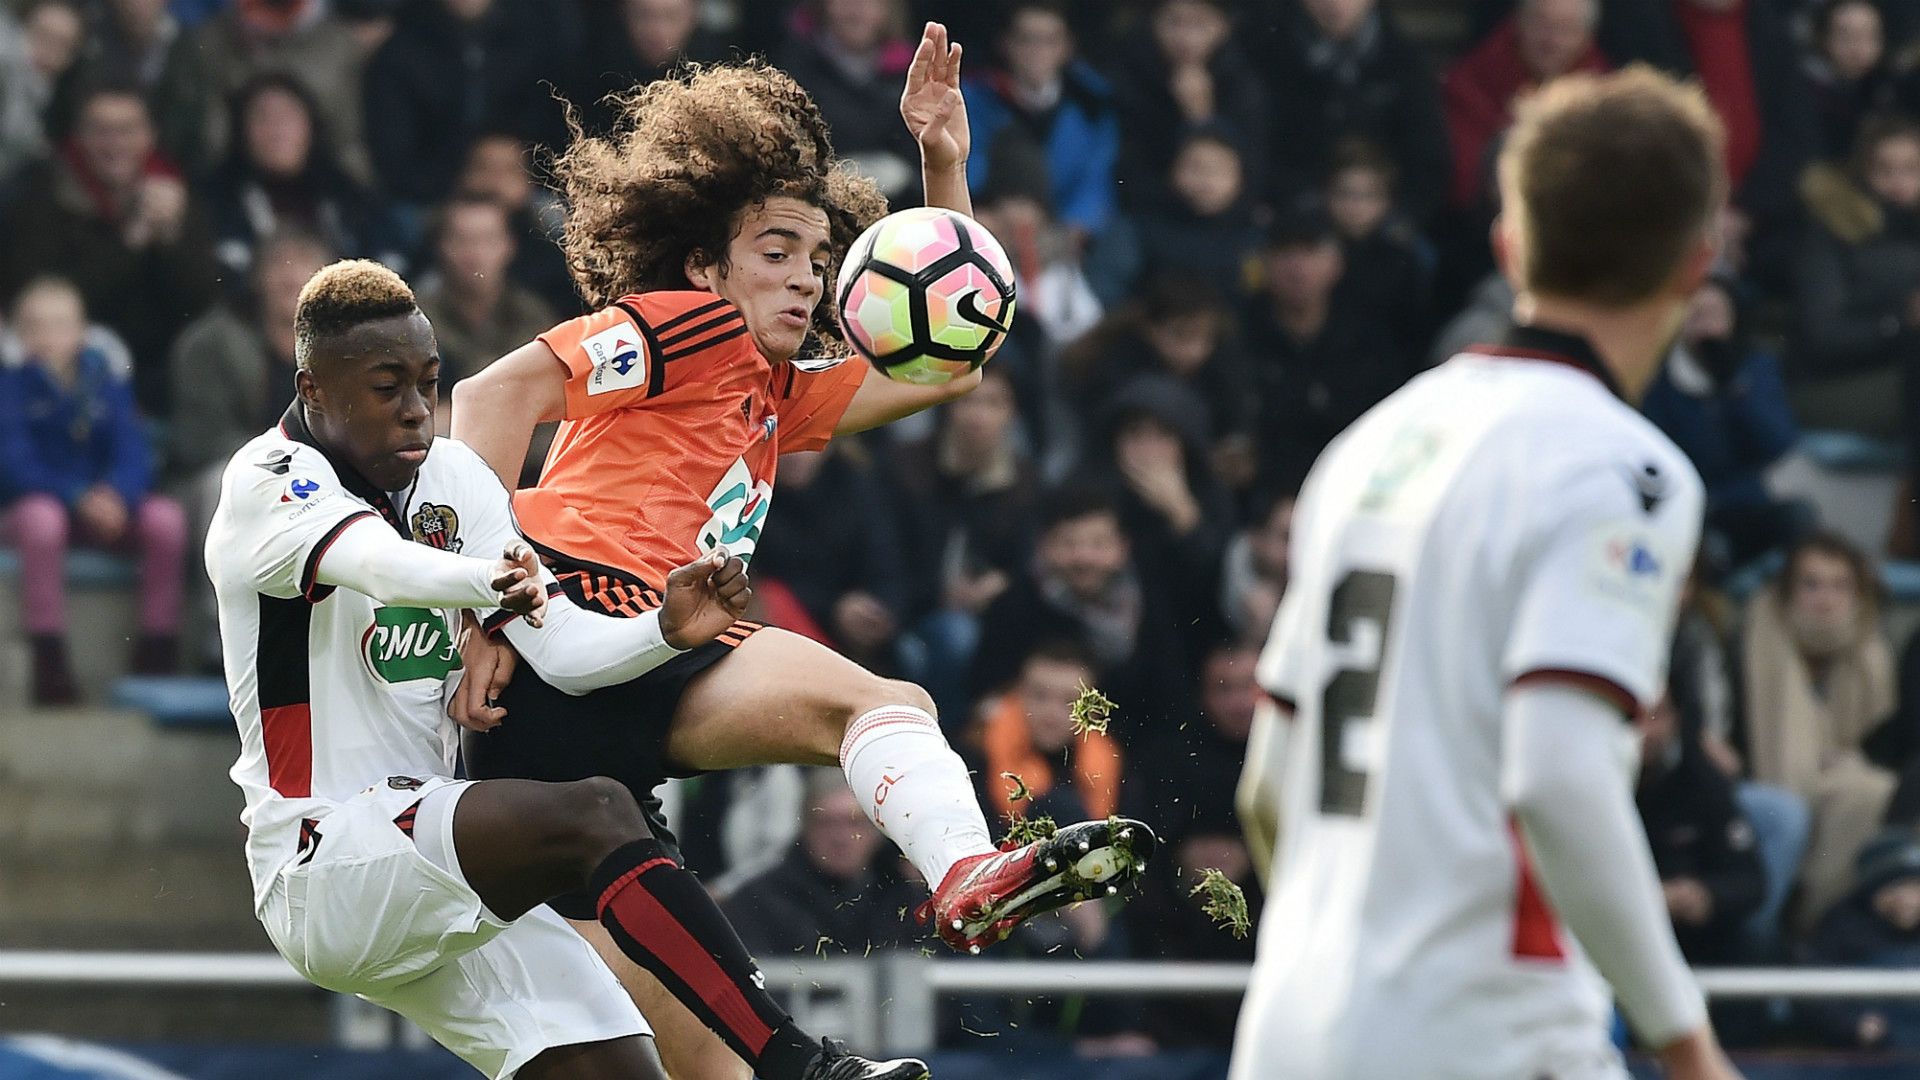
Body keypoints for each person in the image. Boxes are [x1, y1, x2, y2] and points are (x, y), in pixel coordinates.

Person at [447, 35, 1153, 1080]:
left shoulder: (776, 394)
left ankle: (950, 890)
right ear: (701, 264)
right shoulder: (686, 329)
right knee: (887, 705)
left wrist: (943, 167)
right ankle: (964, 872)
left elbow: (954, 356)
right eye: (775, 250)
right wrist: (479, 610)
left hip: (600, 727)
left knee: (714, 1071)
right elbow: (489, 398)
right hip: (590, 615)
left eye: (819, 260)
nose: (805, 278)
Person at [204, 257, 926, 1080]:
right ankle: (799, 1063)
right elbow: (377, 564)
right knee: (598, 813)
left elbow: (566, 651)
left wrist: (664, 631)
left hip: (428, 858)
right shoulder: (268, 481)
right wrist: (488, 581)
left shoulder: (451, 477)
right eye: (386, 387)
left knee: (619, 1070)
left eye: (428, 384)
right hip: (324, 858)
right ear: (314, 387)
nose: (416, 412)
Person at [1234, 67, 1739, 1079]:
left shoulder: (1372, 442)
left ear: (1510, 246)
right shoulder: (1622, 471)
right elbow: (1555, 776)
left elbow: (1266, 790)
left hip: (1294, 1025)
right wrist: (1688, 1047)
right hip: (1487, 1030)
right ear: (1699, 262)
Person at [0, 277, 186, 703]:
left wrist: (118, 495)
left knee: (166, 521)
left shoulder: (107, 384)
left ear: (82, 331)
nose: (48, 337)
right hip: (39, 510)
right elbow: (14, 464)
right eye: (35, 327)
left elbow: (133, 451)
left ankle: (157, 647)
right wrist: (78, 496)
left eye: (60, 325)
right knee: (40, 520)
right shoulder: (9, 389)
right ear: (19, 335)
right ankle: (50, 656)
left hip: (103, 510)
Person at [0, 82, 220, 415]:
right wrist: (129, 244)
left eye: (128, 130)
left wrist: (174, 238)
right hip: (67, 374)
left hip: (163, 375)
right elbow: (42, 303)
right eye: (101, 130)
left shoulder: (177, 193)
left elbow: (201, 301)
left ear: (151, 135)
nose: (115, 144)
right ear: (79, 136)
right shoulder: (39, 195)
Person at [1740, 531, 1898, 931]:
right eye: (1811, 584)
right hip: (1755, 794)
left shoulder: (1872, 655)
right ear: (1788, 593)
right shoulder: (1747, 645)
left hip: (1839, 792)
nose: (1825, 599)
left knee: (1869, 792)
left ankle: (1820, 928)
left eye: (1839, 586)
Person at [203, 73, 398, 284]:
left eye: (287, 118)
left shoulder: (346, 195)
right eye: (262, 118)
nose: (277, 130)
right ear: (241, 131)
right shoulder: (216, 201)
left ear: (311, 125)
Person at [961, 1, 1120, 240]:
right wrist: (988, 210)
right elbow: (964, 165)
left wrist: (1070, 228)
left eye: (1049, 40)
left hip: (1064, 236)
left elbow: (1096, 183)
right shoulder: (974, 100)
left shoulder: (1093, 106)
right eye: (1026, 39)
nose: (1037, 50)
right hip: (989, 227)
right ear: (1006, 44)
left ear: (1067, 47)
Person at [721, 771, 923, 958]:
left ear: (876, 830)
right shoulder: (756, 904)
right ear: (805, 827)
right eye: (827, 822)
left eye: (855, 823)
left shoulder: (906, 903)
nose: (841, 838)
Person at [1637, 693, 1766, 966]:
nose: (1646, 731)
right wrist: (1650, 897)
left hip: (1694, 936)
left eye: (1656, 716)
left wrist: (1706, 895)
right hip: (1615, 933)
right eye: (1635, 717)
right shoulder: (1590, 792)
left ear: (1676, 719)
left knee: (1755, 946)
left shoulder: (1703, 783)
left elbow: (1749, 880)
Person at [1443, 0, 1608, 212]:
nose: (1551, 41)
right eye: (1542, 25)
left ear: (1588, 37)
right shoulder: (1470, 82)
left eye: (1566, 29)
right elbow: (1465, 181)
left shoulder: (1607, 94)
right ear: (1518, 24)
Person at [415, 193, 556, 387]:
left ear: (509, 246)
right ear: (440, 245)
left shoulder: (532, 315)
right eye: (462, 240)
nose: (475, 254)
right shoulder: (416, 320)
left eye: (488, 240)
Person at [1803, 826, 1920, 1050]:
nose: (1909, 900)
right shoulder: (1842, 927)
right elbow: (1814, 988)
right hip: (1871, 1054)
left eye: (1916, 887)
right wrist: (1853, 1025)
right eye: (1896, 888)